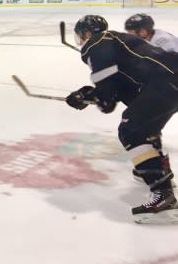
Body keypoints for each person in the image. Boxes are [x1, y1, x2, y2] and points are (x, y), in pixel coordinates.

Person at [66, 15, 178, 223]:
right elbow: (122, 89)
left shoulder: (96, 44)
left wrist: (89, 97)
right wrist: (90, 94)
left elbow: (107, 101)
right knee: (146, 127)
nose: (81, 40)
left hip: (165, 82)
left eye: (81, 36)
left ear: (87, 33)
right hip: (170, 80)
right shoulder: (117, 41)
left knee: (131, 130)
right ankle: (157, 173)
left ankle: (163, 196)